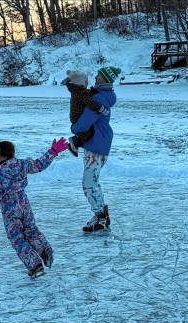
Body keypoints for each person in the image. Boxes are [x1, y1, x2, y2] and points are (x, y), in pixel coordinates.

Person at [0, 138, 68, 278]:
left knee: (17, 239)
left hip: (10, 210)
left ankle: (35, 265)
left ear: (3, 155)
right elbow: (39, 164)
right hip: (24, 205)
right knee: (31, 230)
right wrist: (53, 151)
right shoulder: (22, 164)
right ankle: (44, 248)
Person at [71, 66, 121, 233]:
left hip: (97, 144)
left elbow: (86, 121)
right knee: (91, 181)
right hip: (97, 142)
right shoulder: (99, 95)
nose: (96, 76)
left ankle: (101, 215)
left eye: (99, 75)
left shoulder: (100, 98)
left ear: (104, 79)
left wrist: (75, 128)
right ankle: (101, 214)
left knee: (89, 182)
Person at [62, 69, 109, 157]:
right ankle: (74, 142)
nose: (87, 83)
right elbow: (90, 103)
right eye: (86, 81)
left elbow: (86, 94)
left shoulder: (76, 90)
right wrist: (101, 108)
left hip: (74, 116)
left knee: (86, 132)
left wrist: (92, 91)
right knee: (89, 132)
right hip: (78, 116)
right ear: (81, 83)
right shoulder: (81, 93)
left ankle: (75, 143)